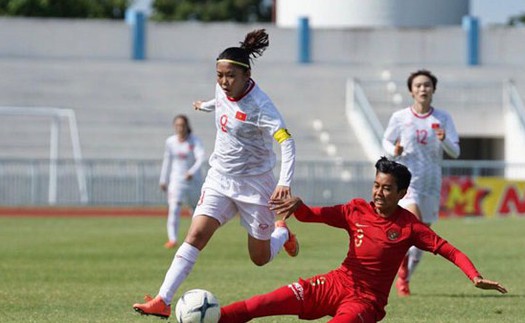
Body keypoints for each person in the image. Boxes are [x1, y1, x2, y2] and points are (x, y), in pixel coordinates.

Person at [218, 157, 507, 323]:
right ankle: (212, 319)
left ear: (402, 194)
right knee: (260, 304)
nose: (379, 193)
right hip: (334, 283)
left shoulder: (410, 227)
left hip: (365, 303)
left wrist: (474, 276)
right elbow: (310, 216)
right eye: (376, 185)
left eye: (387, 189)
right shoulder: (355, 209)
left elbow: (449, 250)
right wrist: (298, 205)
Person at [133, 29, 298, 319]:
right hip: (220, 178)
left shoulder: (262, 106)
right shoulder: (221, 90)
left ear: (246, 76)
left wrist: (283, 182)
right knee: (196, 234)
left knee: (259, 259)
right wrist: (205, 106)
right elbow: (222, 105)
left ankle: (281, 233)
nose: (223, 82)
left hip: (255, 185)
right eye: (219, 75)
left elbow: (287, 141)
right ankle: (163, 300)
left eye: (230, 76)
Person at [382, 69, 461, 296]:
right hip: (408, 183)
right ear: (411, 91)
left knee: (423, 238)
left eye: (427, 85)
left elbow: (455, 152)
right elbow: (386, 140)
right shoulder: (400, 117)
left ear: (433, 89)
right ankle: (400, 276)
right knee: (413, 226)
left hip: (431, 183)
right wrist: (393, 150)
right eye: (418, 86)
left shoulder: (443, 118)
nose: (422, 89)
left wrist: (444, 141)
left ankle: (405, 276)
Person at [159, 114, 205, 249]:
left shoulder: (194, 141)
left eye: (182, 125)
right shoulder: (170, 142)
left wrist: (191, 172)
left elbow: (201, 158)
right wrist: (163, 179)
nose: (180, 128)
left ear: (187, 126)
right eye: (177, 125)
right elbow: (167, 161)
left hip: (193, 181)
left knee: (196, 210)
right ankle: (172, 239)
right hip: (176, 181)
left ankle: (197, 237)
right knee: (174, 208)